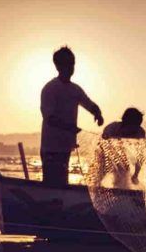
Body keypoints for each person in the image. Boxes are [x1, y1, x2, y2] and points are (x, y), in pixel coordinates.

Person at [40, 46, 103, 186]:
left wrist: (97, 113)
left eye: (72, 64)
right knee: (52, 184)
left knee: (62, 182)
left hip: (66, 146)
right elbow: (49, 118)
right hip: (51, 147)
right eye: (67, 64)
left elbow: (89, 104)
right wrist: (70, 128)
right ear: (58, 66)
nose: (70, 67)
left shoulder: (75, 89)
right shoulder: (50, 88)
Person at [100, 107, 146, 185]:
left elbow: (140, 157)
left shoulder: (140, 132)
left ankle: (120, 186)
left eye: (136, 126)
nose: (133, 129)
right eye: (131, 126)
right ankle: (98, 182)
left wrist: (136, 175)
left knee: (123, 167)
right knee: (108, 165)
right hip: (108, 152)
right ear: (124, 121)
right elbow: (104, 139)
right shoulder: (113, 127)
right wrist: (106, 135)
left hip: (125, 154)